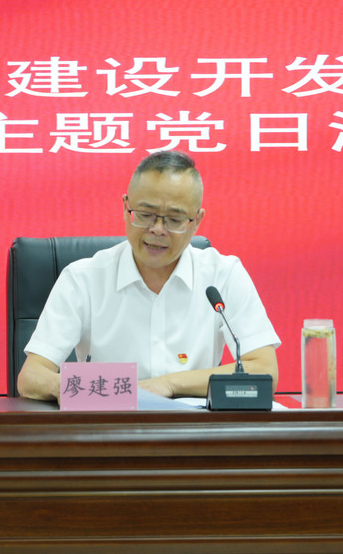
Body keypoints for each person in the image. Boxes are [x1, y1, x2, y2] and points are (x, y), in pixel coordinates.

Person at [16, 150, 282, 402]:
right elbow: (31, 377)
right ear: (126, 207)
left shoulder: (223, 275)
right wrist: (111, 391)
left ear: (197, 221)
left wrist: (169, 384)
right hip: (109, 427)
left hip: (195, 430)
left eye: (174, 220)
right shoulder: (83, 279)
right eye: (145, 215)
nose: (157, 229)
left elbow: (264, 370)